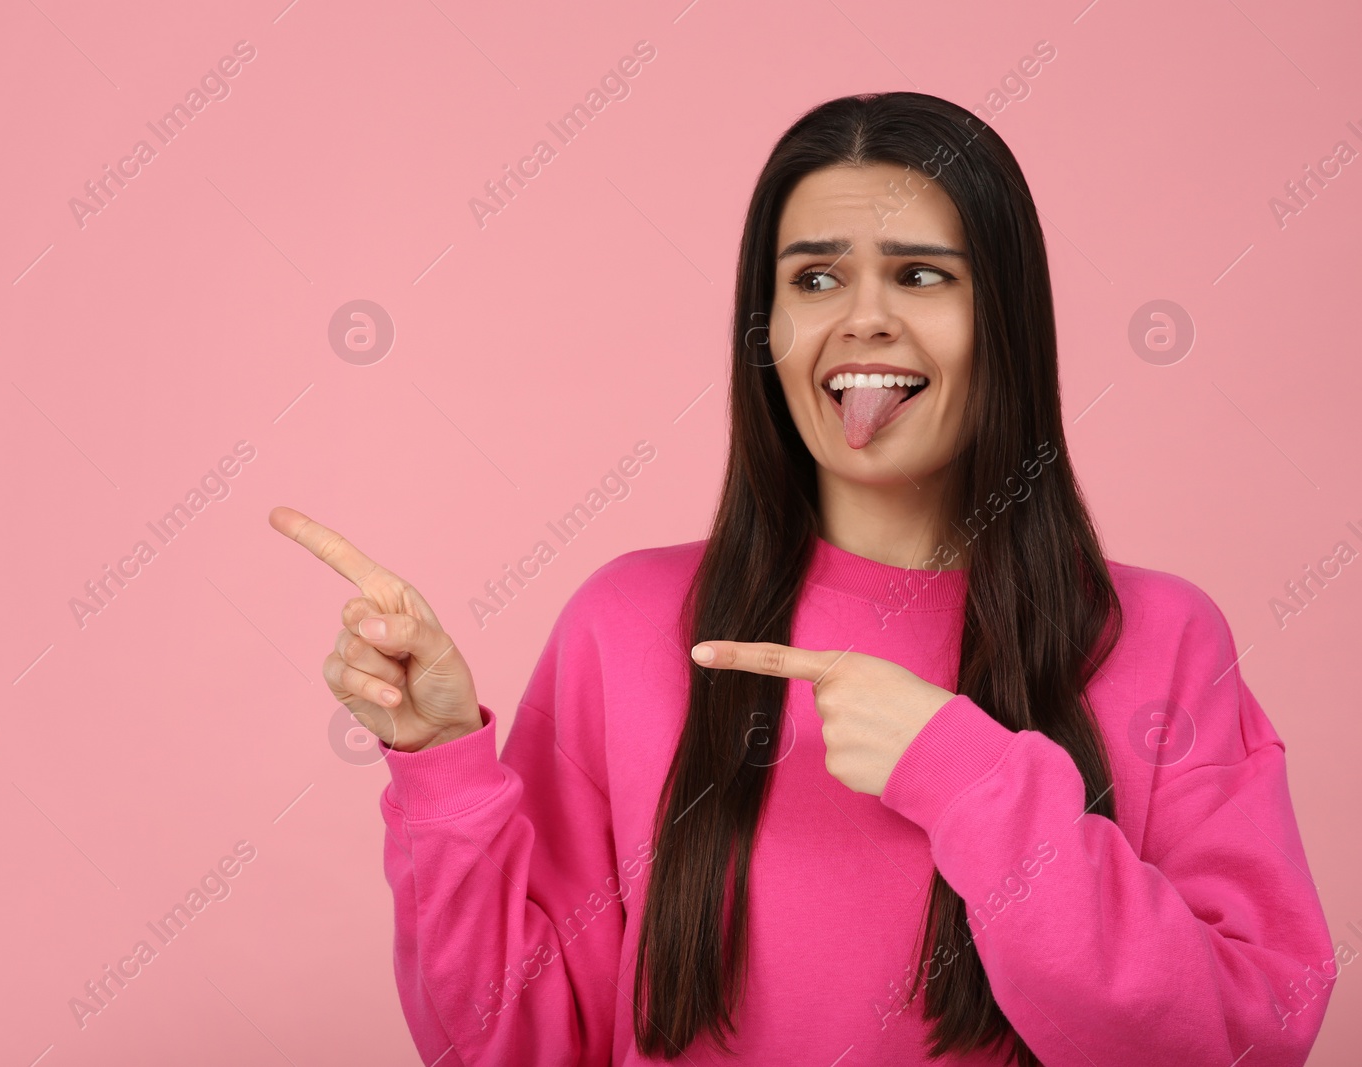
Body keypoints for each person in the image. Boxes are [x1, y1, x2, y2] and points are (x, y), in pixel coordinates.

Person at [269, 91, 1334, 1065]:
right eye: (814, 278)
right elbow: (517, 1044)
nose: (860, 317)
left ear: (1006, 319)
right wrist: (444, 764)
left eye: (921, 274)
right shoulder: (627, 624)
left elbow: (1237, 1038)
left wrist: (966, 776)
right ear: (766, 331)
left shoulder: (1159, 636)